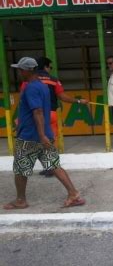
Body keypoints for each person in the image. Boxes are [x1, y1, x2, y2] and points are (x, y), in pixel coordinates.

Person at [3, 57, 86, 210]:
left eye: (20, 70)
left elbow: (38, 112)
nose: (19, 72)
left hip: (30, 136)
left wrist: (40, 135)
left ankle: (21, 200)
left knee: (21, 169)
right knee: (54, 165)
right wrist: (43, 134)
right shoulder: (42, 86)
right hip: (44, 134)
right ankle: (73, 194)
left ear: (28, 70)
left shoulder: (31, 88)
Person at [20, 56, 89, 177]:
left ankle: (26, 169)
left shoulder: (28, 81)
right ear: (45, 66)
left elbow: (22, 99)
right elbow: (62, 97)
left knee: (29, 144)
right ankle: (51, 167)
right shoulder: (53, 80)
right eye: (50, 67)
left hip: (32, 118)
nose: (50, 70)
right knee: (50, 141)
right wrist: (78, 101)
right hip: (50, 114)